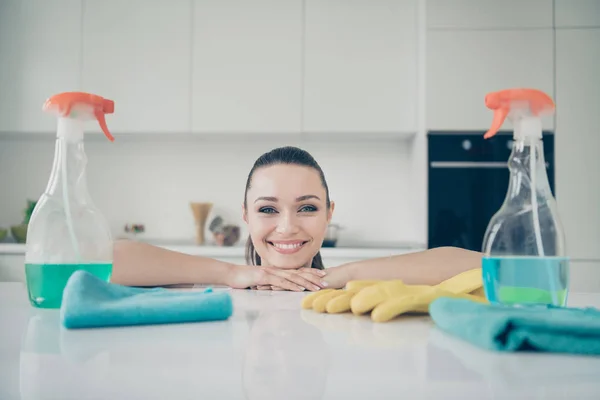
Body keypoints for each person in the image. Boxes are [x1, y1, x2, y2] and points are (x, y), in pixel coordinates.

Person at [111, 146, 482, 291]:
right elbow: (99, 260)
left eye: (307, 207)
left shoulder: (351, 286)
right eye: (268, 209)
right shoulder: (212, 286)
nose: (287, 227)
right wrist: (229, 273)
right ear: (246, 216)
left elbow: (480, 266)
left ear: (329, 214)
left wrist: (346, 274)